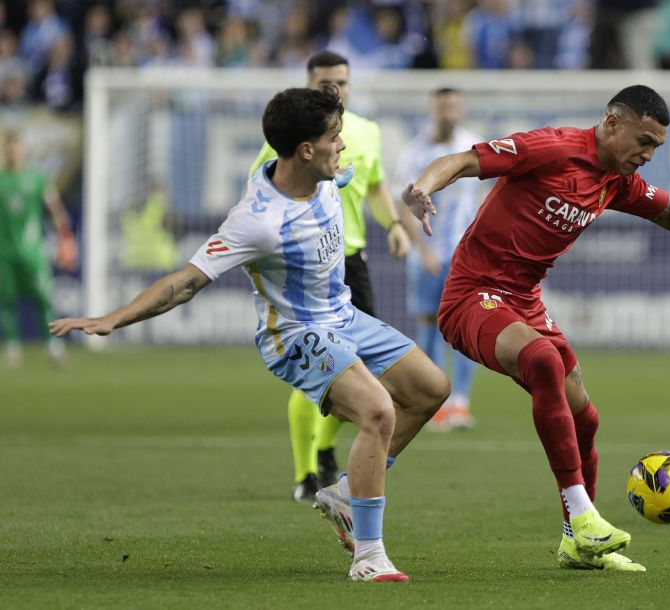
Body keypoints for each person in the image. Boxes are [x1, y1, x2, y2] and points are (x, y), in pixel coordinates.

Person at [50, 87, 449, 582]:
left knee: (432, 389)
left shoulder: (326, 174)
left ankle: (346, 492)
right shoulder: (256, 220)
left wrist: (399, 211)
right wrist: (112, 318)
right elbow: (185, 282)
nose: (343, 145)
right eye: (334, 137)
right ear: (306, 149)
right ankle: (369, 555)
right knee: (377, 410)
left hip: (344, 318)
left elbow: (363, 181)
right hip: (296, 335)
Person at [402, 85, 670, 572]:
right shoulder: (553, 148)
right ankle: (583, 515)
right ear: (612, 123)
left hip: (523, 303)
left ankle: (578, 542)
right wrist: (424, 187)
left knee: (585, 418)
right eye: (644, 141)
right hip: (471, 295)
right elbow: (464, 160)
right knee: (543, 360)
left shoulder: (617, 180)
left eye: (657, 147)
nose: (649, 155)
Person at [248, 50, 411, 503]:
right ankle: (306, 473)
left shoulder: (367, 132)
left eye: (341, 82)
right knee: (322, 367)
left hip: (350, 261)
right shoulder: (292, 135)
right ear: (308, 84)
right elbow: (262, 191)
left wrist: (394, 225)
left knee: (361, 370)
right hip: (308, 267)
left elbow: (375, 185)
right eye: (324, 83)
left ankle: (323, 449)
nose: (333, 89)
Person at [394, 87, 482, 431]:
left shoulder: (472, 145)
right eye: (444, 105)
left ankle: (461, 400)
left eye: (455, 105)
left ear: (462, 109)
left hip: (466, 254)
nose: (450, 111)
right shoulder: (414, 152)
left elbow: (485, 195)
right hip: (427, 254)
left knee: (465, 326)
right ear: (434, 109)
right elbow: (403, 204)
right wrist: (423, 250)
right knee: (429, 324)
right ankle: (436, 400)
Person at [0, 129, 77, 366]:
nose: (13, 152)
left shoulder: (37, 178)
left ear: (23, 150)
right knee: (7, 301)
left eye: (16, 147)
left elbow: (55, 209)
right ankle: (12, 349)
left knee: (43, 299)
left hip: (33, 252)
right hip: (4, 252)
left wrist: (65, 239)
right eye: (9, 147)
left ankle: (53, 347)